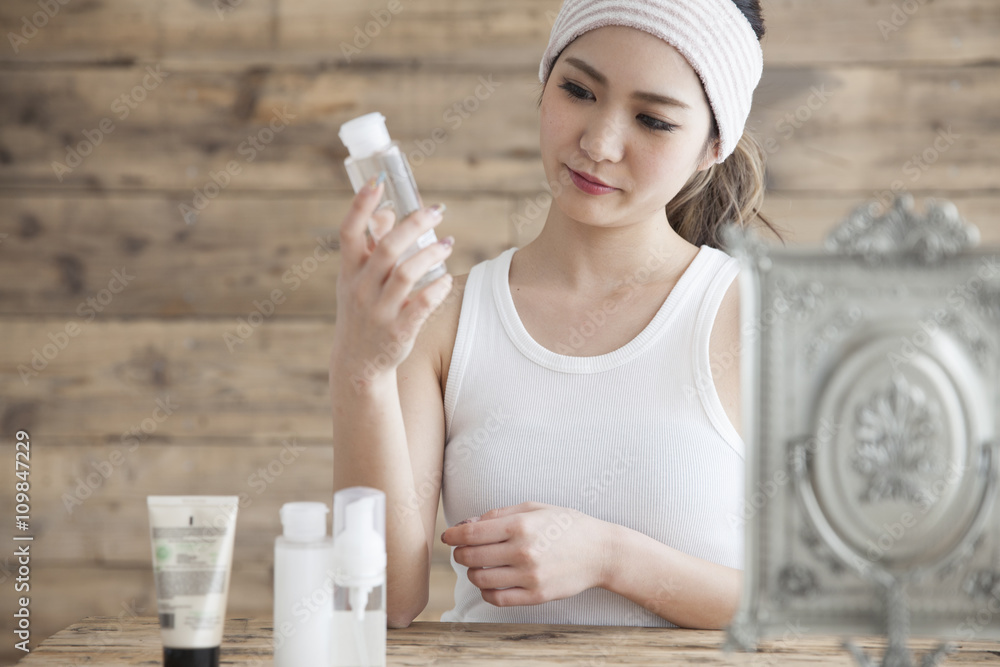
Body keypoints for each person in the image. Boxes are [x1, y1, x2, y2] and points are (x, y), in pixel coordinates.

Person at [331, 0, 780, 631]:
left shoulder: (760, 315)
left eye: (652, 119)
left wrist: (610, 558)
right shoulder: (445, 319)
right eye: (577, 90)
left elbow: (812, 603)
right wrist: (363, 368)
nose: (598, 143)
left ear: (713, 146)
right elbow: (382, 605)